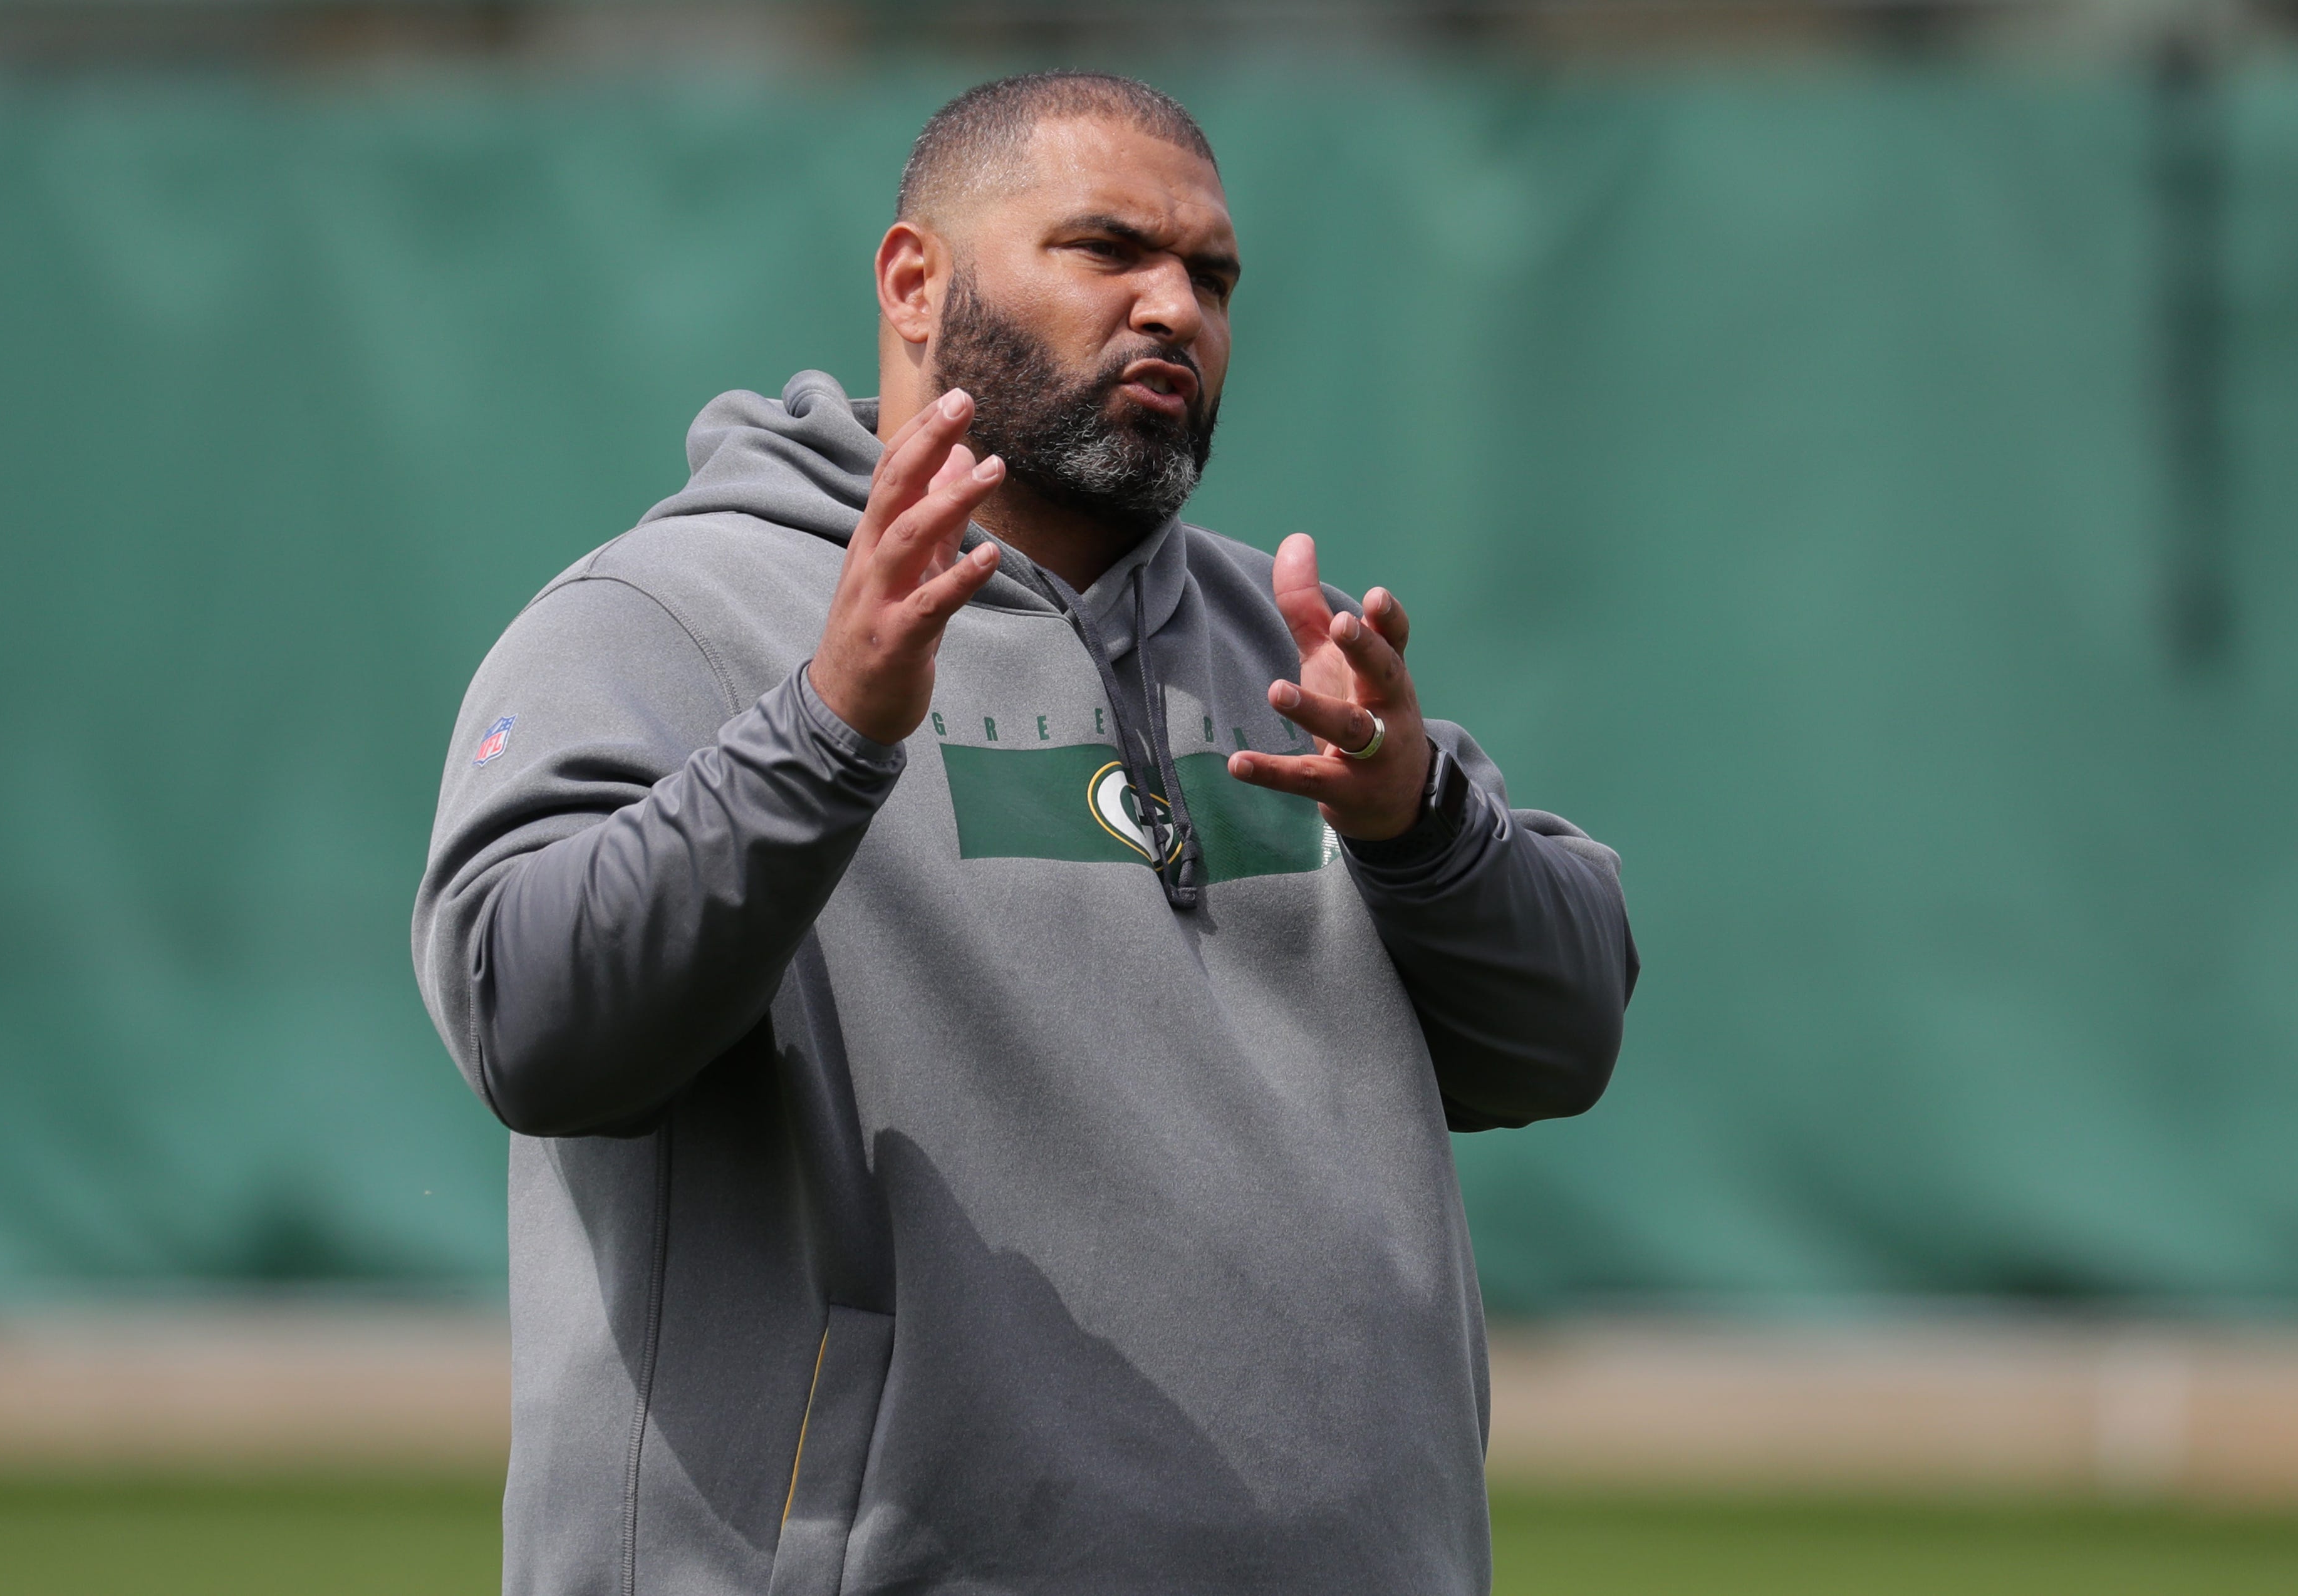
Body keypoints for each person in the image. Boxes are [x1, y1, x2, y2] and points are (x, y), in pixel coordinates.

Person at [413, 71, 1637, 1596]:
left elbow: (1563, 1037)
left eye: (1211, 275)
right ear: (915, 282)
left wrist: (1422, 825)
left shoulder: (1291, 644)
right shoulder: (669, 620)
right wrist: (825, 729)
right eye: (1107, 248)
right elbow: (534, 1025)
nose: (1173, 308)